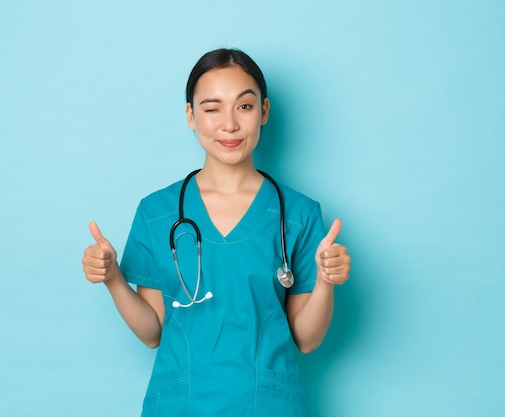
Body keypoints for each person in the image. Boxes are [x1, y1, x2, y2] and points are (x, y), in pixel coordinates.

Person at [81, 48, 351, 416]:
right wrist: (113, 279)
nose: (229, 125)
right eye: (211, 108)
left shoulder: (299, 215)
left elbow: (306, 339)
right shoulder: (157, 212)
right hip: (182, 405)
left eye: (244, 106)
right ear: (191, 116)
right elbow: (152, 332)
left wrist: (325, 281)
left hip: (266, 405)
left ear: (264, 112)